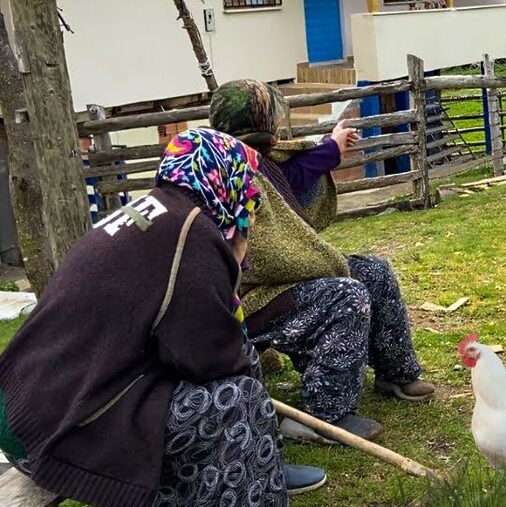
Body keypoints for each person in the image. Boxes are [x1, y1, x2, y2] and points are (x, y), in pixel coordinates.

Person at [0, 128, 326, 507]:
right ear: (223, 178)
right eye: (247, 185)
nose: (252, 201)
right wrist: (234, 257)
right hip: (55, 426)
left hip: (25, 406)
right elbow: (213, 358)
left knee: (228, 388)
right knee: (237, 397)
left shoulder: (155, 212)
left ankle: (258, 466)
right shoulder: (191, 232)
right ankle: (254, 476)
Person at [208, 80, 434, 443]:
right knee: (346, 295)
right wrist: (320, 264)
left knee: (374, 272)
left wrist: (331, 145)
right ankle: (326, 415)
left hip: (283, 279)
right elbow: (263, 257)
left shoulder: (262, 163)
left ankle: (396, 372)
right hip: (248, 299)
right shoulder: (225, 173)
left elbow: (293, 177)